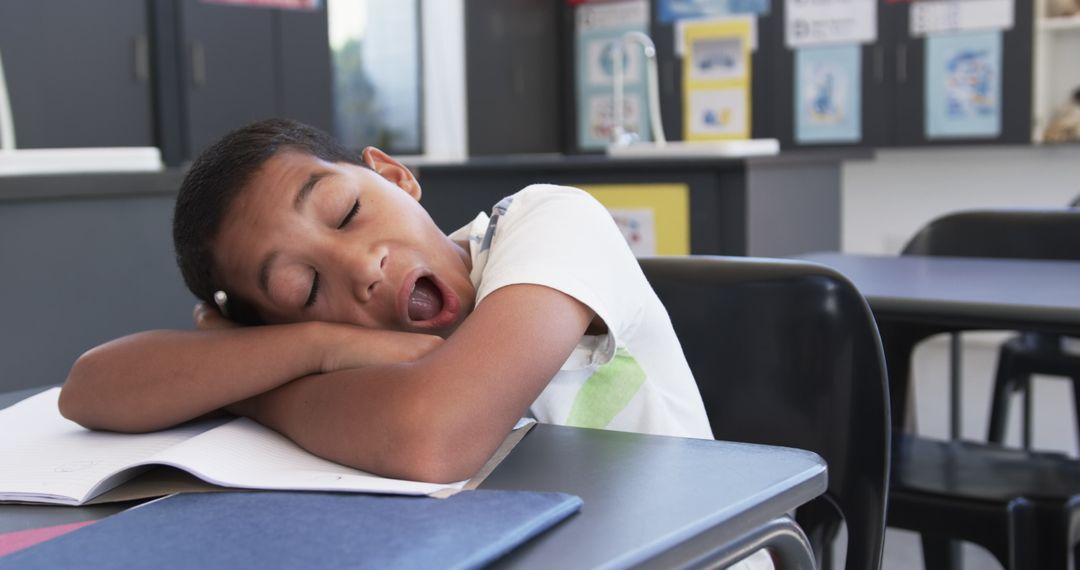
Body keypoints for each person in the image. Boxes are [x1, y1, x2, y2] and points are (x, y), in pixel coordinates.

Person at [58, 118, 713, 484]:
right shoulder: (337, 353)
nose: (360, 266)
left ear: (395, 176)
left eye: (346, 213)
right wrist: (322, 346)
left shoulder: (549, 222)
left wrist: (249, 378)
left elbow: (430, 435)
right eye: (303, 288)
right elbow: (89, 388)